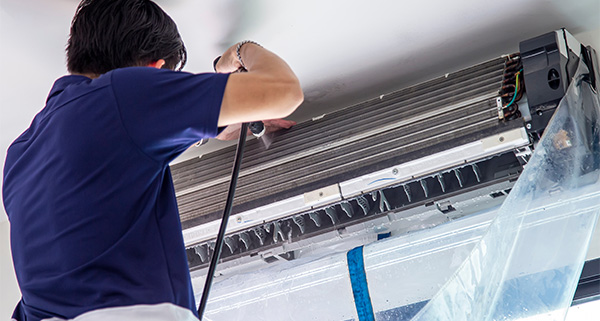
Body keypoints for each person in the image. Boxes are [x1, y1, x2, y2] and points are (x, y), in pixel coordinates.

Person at [2, 0, 303, 320]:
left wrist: (207, 125)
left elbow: (115, 160)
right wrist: (242, 51)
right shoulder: (124, 91)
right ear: (154, 71)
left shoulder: (20, 152)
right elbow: (284, 91)